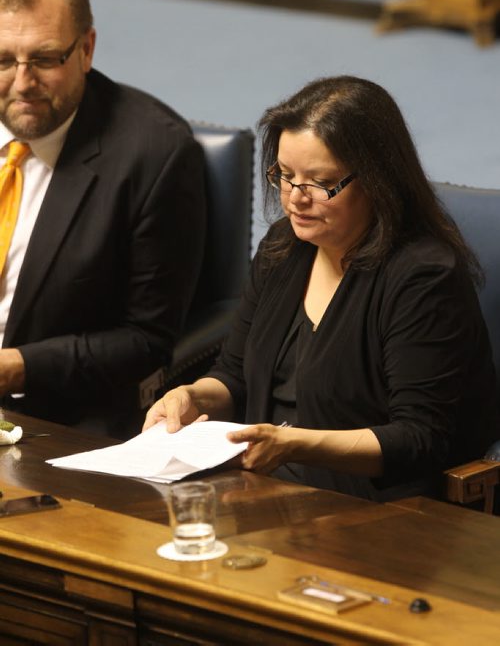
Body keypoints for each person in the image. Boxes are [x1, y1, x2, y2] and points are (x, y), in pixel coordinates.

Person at [143, 75, 499, 502]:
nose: (295, 198)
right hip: (260, 488)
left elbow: (418, 438)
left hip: (374, 507)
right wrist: (191, 397)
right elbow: (235, 375)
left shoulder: (423, 276)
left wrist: (294, 444)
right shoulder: (283, 247)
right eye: (286, 175)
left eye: (319, 182)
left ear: (376, 180)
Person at [0, 0, 206, 437]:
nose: (22, 83)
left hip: (50, 416)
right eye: (3, 60)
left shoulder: (155, 155)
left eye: (46, 59)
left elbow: (145, 340)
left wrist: (13, 367)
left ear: (87, 49)